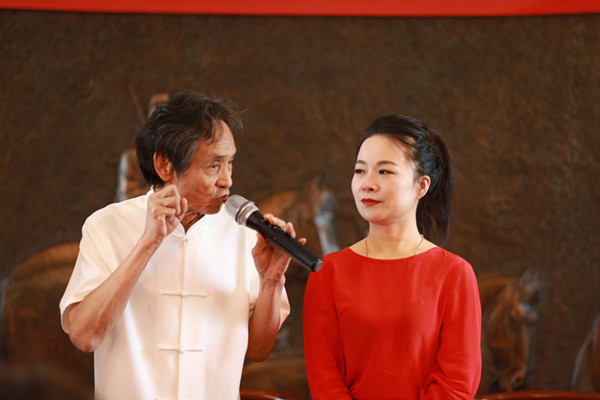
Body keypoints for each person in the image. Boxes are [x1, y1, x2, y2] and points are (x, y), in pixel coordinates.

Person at [60, 92, 293, 400]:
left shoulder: (246, 234)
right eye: (214, 166)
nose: (227, 180)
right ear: (165, 165)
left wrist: (271, 280)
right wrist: (148, 242)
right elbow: (84, 337)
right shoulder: (107, 226)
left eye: (230, 163)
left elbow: (259, 349)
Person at [303, 114, 482, 399]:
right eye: (360, 170)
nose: (367, 183)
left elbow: (457, 382)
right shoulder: (328, 272)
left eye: (384, 171)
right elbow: (324, 376)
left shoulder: (454, 273)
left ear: (421, 186)